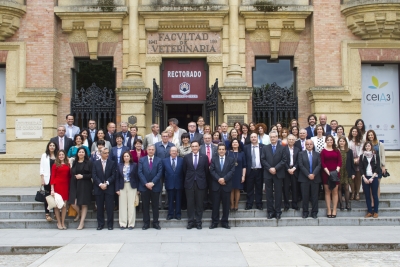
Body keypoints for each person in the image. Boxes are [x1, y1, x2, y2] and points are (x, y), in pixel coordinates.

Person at [182, 141, 209, 230]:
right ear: (191, 147)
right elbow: (184, 170)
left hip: (200, 183)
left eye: (196, 146)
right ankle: (190, 222)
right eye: (193, 146)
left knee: (199, 203)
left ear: (199, 147)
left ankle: (198, 222)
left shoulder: (204, 157)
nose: (194, 148)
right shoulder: (186, 157)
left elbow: (206, 171)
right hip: (189, 183)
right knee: (190, 203)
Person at [209, 143, 236, 229]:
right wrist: (219, 179)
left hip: (226, 185)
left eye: (222, 149)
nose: (221, 151)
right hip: (216, 185)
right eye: (219, 149)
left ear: (225, 150)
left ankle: (225, 222)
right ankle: (214, 222)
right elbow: (212, 171)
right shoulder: (214, 159)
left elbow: (232, 171)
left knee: (226, 205)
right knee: (215, 205)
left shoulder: (231, 160)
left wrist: (224, 179)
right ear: (217, 151)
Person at [261, 130, 287, 220]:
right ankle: (270, 212)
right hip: (268, 173)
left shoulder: (282, 148)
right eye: (271, 137)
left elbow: (284, 160)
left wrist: (275, 168)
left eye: (274, 137)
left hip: (278, 173)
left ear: (277, 138)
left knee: (278, 193)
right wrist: (270, 168)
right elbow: (263, 159)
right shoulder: (265, 148)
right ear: (269, 138)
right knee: (268, 194)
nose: (272, 138)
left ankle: (278, 212)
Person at [138, 145, 163, 230]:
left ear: (155, 151)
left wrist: (152, 183)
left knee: (155, 206)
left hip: (155, 187)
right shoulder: (142, 160)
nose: (151, 151)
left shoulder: (159, 160)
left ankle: (155, 223)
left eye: (152, 149)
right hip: (144, 187)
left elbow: (159, 173)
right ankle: (146, 223)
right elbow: (140, 172)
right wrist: (146, 183)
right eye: (149, 149)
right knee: (145, 206)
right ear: (146, 150)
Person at [92, 148, 116, 230]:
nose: (107, 154)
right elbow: (94, 176)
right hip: (99, 188)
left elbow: (113, 175)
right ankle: (100, 224)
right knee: (100, 207)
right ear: (101, 154)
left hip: (109, 188)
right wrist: (100, 184)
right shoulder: (95, 163)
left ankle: (110, 224)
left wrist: (107, 183)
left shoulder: (112, 163)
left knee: (109, 207)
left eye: (108, 153)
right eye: (105, 153)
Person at [69, 147, 93, 230]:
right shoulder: (74, 162)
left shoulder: (89, 163)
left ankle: (81, 222)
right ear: (77, 153)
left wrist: (82, 176)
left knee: (84, 204)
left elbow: (91, 175)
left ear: (85, 154)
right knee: (73, 202)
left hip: (85, 184)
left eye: (83, 152)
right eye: (80, 152)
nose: (81, 153)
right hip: (74, 184)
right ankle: (79, 213)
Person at [298, 140, 321, 219]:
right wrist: (308, 174)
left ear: (313, 145)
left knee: (314, 196)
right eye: (307, 144)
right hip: (304, 178)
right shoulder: (301, 154)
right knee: (305, 196)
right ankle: (305, 212)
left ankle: (314, 212)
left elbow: (319, 165)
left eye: (311, 144)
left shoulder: (317, 154)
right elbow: (301, 165)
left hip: (315, 178)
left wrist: (313, 174)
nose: (309, 145)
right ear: (305, 145)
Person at [320, 135, 342, 218]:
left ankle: (334, 209)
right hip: (326, 173)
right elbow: (322, 162)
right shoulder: (323, 151)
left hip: (335, 173)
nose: (329, 141)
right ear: (326, 141)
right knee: (327, 192)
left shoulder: (337, 151)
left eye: (331, 140)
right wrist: (328, 172)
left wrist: (336, 171)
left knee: (335, 192)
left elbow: (340, 161)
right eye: (328, 140)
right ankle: (329, 209)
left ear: (333, 141)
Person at [116, 151, 138, 230]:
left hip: (132, 186)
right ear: (123, 158)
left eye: (127, 156)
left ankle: (131, 224)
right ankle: (123, 223)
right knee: (122, 205)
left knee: (131, 205)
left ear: (130, 157)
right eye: (124, 156)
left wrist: (137, 189)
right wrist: (117, 189)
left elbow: (136, 177)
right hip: (122, 186)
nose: (126, 157)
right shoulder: (119, 165)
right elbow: (117, 178)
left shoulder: (134, 165)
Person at [50, 150, 70, 230]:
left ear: (65, 155)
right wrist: (52, 189)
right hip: (57, 186)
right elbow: (53, 177)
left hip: (66, 186)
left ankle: (63, 222)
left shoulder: (68, 164)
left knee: (64, 205)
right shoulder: (55, 165)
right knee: (57, 206)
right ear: (58, 156)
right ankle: (58, 222)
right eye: (60, 154)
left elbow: (69, 176)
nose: (61, 156)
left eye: (63, 154)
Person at [359, 141, 380, 218]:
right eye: (366, 146)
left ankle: (376, 211)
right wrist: (364, 177)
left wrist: (372, 177)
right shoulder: (362, 156)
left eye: (369, 146)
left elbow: (378, 167)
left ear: (371, 147)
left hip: (373, 177)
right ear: (364, 147)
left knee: (375, 195)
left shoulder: (375, 156)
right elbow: (360, 168)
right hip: (365, 177)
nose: (367, 147)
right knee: (367, 195)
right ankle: (369, 211)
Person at [155, 131, 175, 210]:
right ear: (161, 137)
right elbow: (155, 158)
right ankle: (159, 205)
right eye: (163, 136)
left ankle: (167, 204)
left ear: (169, 137)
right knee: (158, 188)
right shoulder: (156, 145)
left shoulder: (172, 146)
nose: (165, 137)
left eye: (167, 136)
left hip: (169, 170)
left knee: (168, 188)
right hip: (159, 170)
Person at [162, 147, 184, 220]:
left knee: (178, 200)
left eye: (175, 151)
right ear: (170, 152)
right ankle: (170, 214)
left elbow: (184, 172)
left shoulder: (182, 160)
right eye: (172, 151)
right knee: (170, 200)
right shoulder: (165, 161)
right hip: (169, 183)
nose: (174, 152)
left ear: (177, 152)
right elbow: (162, 173)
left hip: (179, 183)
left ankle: (178, 214)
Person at [244, 133, 264, 210]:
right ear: (250, 138)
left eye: (255, 137)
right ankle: (249, 204)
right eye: (251, 137)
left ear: (257, 138)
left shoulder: (263, 147)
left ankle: (259, 204)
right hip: (250, 171)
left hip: (260, 170)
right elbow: (245, 159)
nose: (253, 138)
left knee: (259, 188)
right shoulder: (246, 147)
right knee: (249, 188)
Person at [40, 141, 58, 222]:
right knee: (47, 196)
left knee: (55, 195)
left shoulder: (58, 156)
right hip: (47, 179)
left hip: (56, 179)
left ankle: (55, 212)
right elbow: (42, 168)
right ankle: (47, 213)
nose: (52, 147)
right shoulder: (44, 156)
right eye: (50, 145)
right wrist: (42, 178)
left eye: (53, 145)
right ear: (48, 147)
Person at [200, 133, 218, 210]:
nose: (207, 139)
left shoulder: (216, 147)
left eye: (209, 138)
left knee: (212, 187)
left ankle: (211, 203)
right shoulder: (200, 147)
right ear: (203, 139)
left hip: (213, 170)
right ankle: (204, 203)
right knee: (203, 188)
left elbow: (217, 158)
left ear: (211, 139)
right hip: (202, 171)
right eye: (206, 138)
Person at [366, 130, 386, 199]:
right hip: (369, 168)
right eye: (369, 135)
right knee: (371, 186)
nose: (370, 136)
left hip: (378, 167)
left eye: (371, 135)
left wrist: (383, 166)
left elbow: (383, 155)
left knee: (377, 185)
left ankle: (377, 200)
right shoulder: (366, 145)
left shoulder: (380, 144)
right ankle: (372, 201)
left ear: (374, 135)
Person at [227, 139, 246, 211]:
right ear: (231, 144)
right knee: (231, 189)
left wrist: (243, 176)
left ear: (238, 144)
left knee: (237, 189)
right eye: (233, 142)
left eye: (236, 142)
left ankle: (236, 204)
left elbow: (244, 165)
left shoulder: (242, 153)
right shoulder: (228, 153)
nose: (235, 143)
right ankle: (231, 204)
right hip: (230, 173)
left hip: (239, 173)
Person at [337, 136, 355, 211]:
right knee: (340, 188)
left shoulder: (349, 151)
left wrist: (353, 173)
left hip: (347, 172)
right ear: (338, 142)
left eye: (343, 141)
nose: (342, 143)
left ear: (345, 142)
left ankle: (347, 204)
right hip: (339, 171)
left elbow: (352, 163)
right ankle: (341, 204)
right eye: (340, 141)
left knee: (347, 188)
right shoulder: (336, 151)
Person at [283, 134, 300, 211]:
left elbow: (298, 161)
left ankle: (294, 204)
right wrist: (288, 169)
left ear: (294, 141)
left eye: (292, 139)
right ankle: (286, 204)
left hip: (295, 170)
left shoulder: (297, 149)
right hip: (286, 171)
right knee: (286, 188)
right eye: (289, 139)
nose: (291, 141)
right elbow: (283, 160)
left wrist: (294, 168)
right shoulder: (283, 149)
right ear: (287, 140)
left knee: (295, 188)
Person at [348, 126, 364, 201]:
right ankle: (353, 192)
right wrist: (352, 160)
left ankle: (357, 192)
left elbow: (362, 151)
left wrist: (358, 159)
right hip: (351, 161)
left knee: (358, 177)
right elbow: (348, 150)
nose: (354, 133)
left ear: (358, 133)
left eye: (356, 131)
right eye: (353, 131)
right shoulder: (349, 141)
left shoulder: (361, 141)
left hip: (359, 161)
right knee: (351, 178)